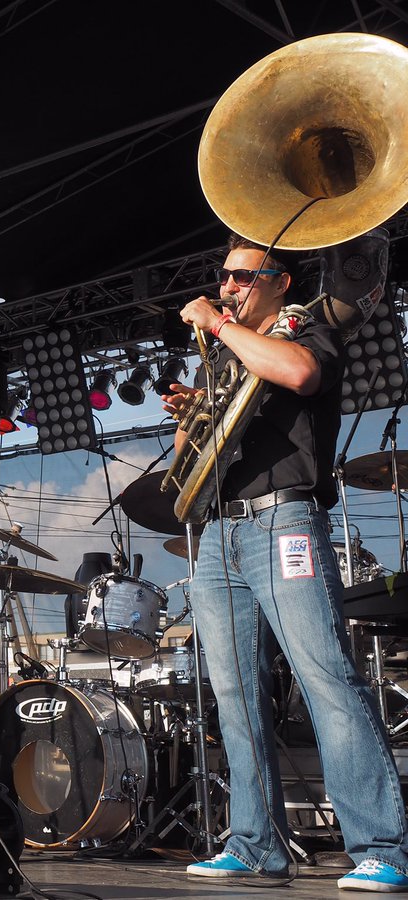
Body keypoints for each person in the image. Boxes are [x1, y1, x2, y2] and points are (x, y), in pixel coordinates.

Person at [164, 235, 408, 892]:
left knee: (327, 680)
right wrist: (190, 413)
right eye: (222, 279)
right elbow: (188, 452)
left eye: (241, 278)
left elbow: (300, 374)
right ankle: (255, 843)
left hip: (284, 521)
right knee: (236, 697)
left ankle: (382, 847)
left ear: (279, 283)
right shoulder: (228, 355)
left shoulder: (309, 326)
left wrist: (217, 324)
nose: (227, 288)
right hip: (219, 531)